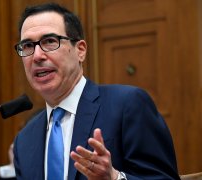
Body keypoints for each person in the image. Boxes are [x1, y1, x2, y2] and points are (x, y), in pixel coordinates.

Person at [12, 2, 180, 180]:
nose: (37, 55)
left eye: (50, 41)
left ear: (80, 51)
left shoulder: (128, 105)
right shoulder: (24, 141)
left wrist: (115, 178)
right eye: (28, 46)